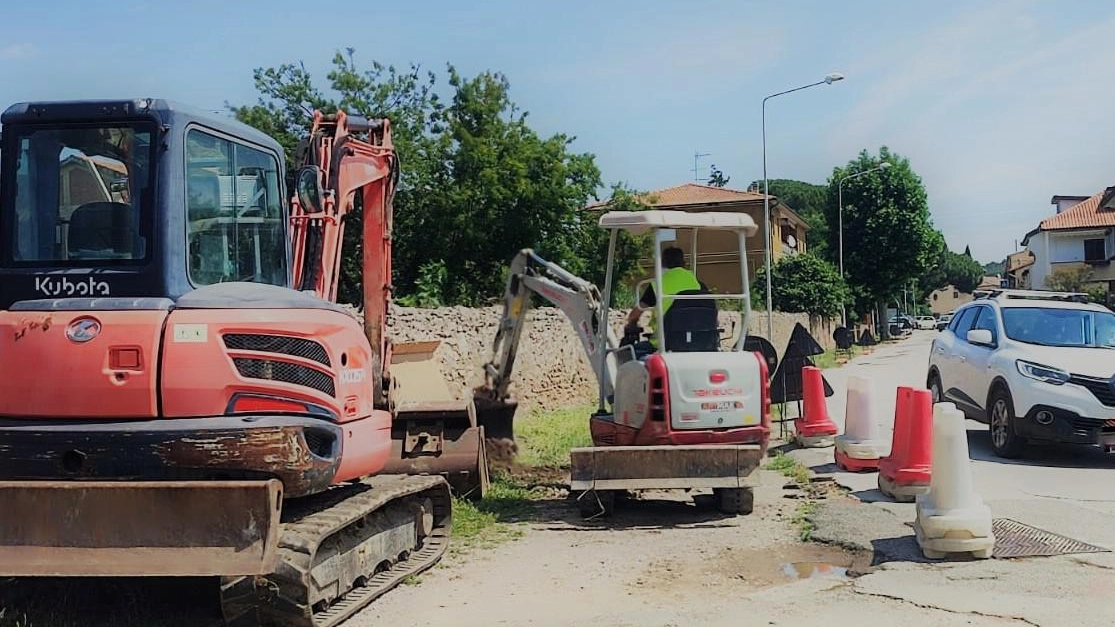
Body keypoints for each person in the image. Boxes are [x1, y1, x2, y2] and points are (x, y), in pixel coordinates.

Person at [625, 246, 706, 337]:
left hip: (666, 342)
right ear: (684, 263)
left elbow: (634, 315)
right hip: (699, 340)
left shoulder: (658, 284)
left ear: (662, 263)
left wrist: (632, 323)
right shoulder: (698, 283)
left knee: (632, 349)